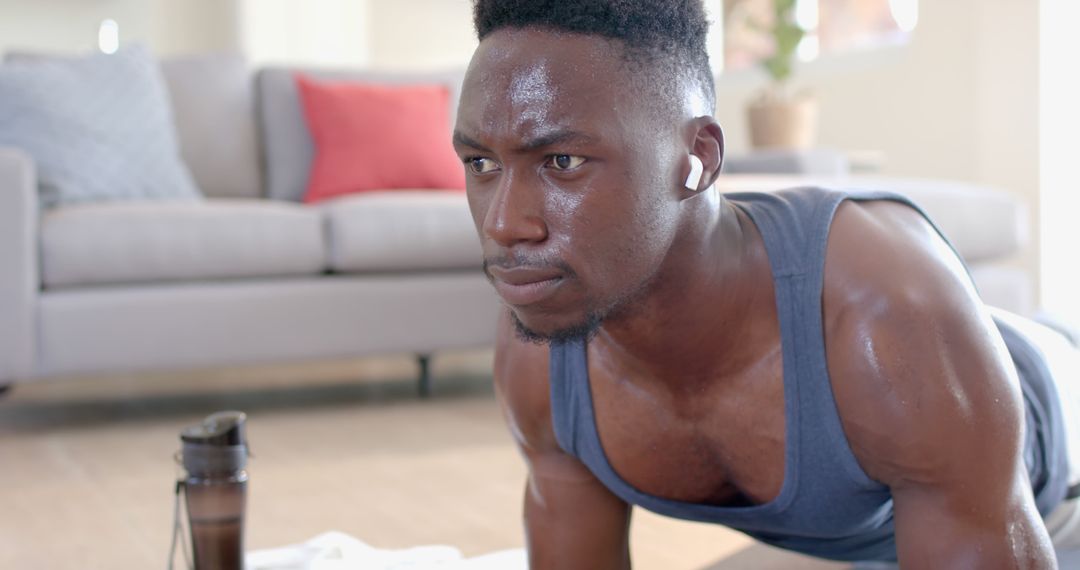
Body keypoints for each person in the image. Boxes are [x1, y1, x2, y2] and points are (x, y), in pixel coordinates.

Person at [451, 1, 1080, 568]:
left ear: (698, 156)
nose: (505, 225)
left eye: (562, 162)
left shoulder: (884, 313)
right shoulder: (542, 348)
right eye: (480, 163)